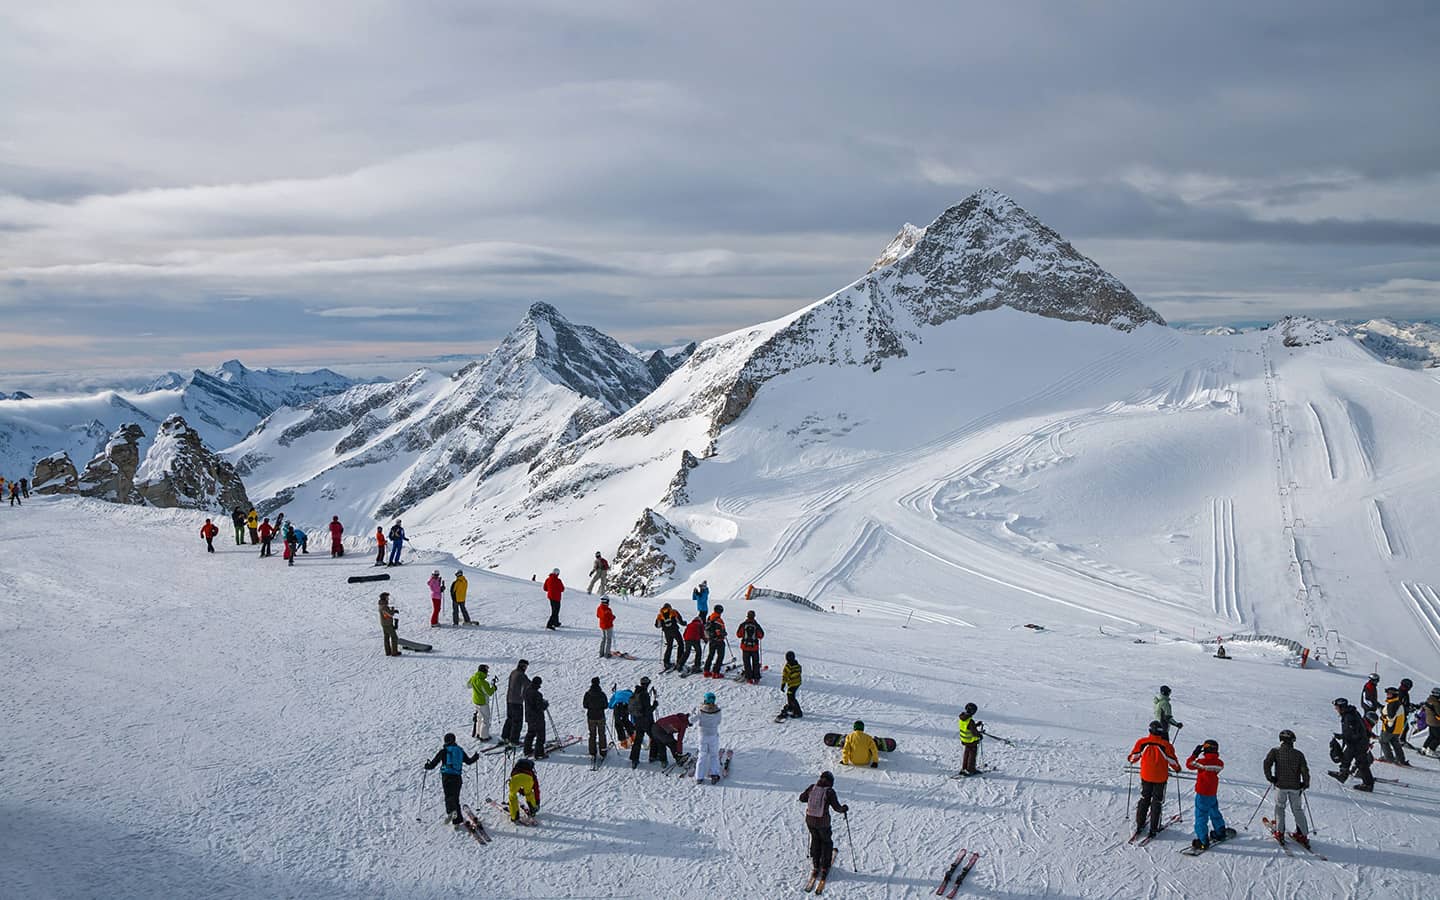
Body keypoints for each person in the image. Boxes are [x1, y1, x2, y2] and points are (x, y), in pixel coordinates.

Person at [1128, 720, 1181, 838]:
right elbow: (1172, 761)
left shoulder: (1142, 742)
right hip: (1160, 778)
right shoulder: (1166, 745)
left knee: (1144, 797)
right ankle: (1154, 828)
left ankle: (1140, 824)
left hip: (1146, 775)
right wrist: (1177, 769)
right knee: (1157, 801)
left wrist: (1130, 759)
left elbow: (1133, 757)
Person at [799, 771, 848, 889]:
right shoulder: (829, 792)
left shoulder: (812, 787)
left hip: (810, 820)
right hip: (823, 823)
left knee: (815, 840)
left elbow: (802, 798)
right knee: (826, 842)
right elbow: (837, 807)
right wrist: (844, 808)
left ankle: (816, 865)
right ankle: (825, 866)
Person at [1263, 729, 1311, 847]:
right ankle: (1303, 835)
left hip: (1281, 785)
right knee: (1298, 810)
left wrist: (1270, 777)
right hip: (1295, 787)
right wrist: (1305, 783)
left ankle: (1280, 832)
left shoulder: (1275, 751)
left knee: (1280, 807)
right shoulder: (1299, 754)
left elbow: (1267, 763)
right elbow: (1304, 770)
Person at [423, 733, 479, 826]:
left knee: (449, 797)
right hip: (457, 778)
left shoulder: (444, 751)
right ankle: (457, 820)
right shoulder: (460, 751)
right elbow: (469, 761)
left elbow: (433, 764)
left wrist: (427, 766)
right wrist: (475, 757)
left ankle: (451, 812)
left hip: (447, 777)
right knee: (455, 798)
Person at [1185, 739, 1231, 851]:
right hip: (1212, 792)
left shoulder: (1202, 762)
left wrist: (1195, 754)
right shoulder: (1220, 763)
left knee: (1201, 815)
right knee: (1214, 811)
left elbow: (1189, 764)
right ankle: (1220, 831)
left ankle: (1202, 840)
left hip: (1202, 793)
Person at [1331, 697, 1375, 791]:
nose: (1336, 709)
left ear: (1341, 706)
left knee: (1360, 763)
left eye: (1337, 707)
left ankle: (1368, 784)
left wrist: (1342, 736)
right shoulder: (1349, 713)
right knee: (1348, 758)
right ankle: (1343, 774)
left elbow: (1354, 733)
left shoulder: (1349, 717)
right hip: (1357, 742)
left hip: (1358, 743)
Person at [695, 692, 723, 784]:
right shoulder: (718, 711)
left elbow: (692, 719)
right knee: (714, 755)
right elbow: (719, 722)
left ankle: (699, 777)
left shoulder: (700, 710)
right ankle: (714, 774)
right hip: (713, 735)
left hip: (702, 736)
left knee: (702, 755)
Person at [628, 677, 655, 768]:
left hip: (637, 720)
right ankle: (653, 756)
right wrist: (654, 706)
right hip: (646, 721)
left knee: (638, 740)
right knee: (654, 736)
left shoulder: (636, 692)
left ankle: (634, 759)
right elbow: (647, 711)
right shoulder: (644, 695)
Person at [502, 660, 530, 745]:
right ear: (523, 666)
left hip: (509, 700)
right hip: (517, 701)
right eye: (525, 666)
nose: (526, 668)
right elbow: (529, 684)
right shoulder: (521, 675)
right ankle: (514, 740)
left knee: (510, 718)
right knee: (517, 721)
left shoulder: (513, 672)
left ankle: (505, 736)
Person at [1379, 687, 1410, 765]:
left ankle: (1388, 758)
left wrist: (1383, 718)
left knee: (1383, 741)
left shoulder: (1392, 704)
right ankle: (1401, 759)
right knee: (1395, 742)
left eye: (1389, 693)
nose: (1387, 695)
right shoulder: (1397, 703)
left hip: (1390, 728)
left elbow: (1390, 718)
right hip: (1397, 728)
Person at [583, 677, 609, 760]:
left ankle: (592, 751)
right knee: (602, 734)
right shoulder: (602, 694)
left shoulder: (588, 694)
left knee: (592, 734)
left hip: (591, 717)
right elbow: (605, 705)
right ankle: (603, 751)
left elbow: (585, 705)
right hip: (600, 716)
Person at [523, 675, 549, 758]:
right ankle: (539, 753)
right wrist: (545, 704)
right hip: (537, 718)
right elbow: (539, 706)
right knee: (540, 736)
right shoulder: (537, 694)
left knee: (530, 733)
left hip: (529, 716)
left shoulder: (527, 691)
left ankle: (527, 750)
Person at [468, 664, 496, 740]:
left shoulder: (473, 678)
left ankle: (478, 733)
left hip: (476, 701)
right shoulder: (483, 682)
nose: (487, 673)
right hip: (483, 702)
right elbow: (489, 693)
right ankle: (484, 736)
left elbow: (468, 685)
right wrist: (493, 687)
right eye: (487, 671)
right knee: (486, 719)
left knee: (479, 717)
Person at [507, 758, 540, 824]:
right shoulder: (531, 772)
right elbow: (536, 788)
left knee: (512, 796)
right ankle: (533, 809)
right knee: (529, 793)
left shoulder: (515, 768)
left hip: (516, 778)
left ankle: (515, 817)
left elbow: (513, 778)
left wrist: (520, 791)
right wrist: (537, 802)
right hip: (528, 779)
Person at [736, 610, 765, 683]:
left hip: (745, 647)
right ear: (754, 616)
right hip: (754, 647)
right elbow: (761, 635)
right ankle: (756, 678)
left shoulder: (743, 624)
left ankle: (749, 678)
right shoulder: (756, 625)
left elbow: (738, 635)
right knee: (755, 662)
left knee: (747, 663)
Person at [956, 703, 984, 776]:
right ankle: (971, 769)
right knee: (972, 755)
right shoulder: (970, 721)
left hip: (965, 740)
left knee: (967, 753)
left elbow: (968, 727)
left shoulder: (963, 718)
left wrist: (976, 725)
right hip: (971, 741)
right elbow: (974, 732)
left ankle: (964, 767)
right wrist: (979, 735)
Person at [655, 603, 684, 671]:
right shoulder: (673, 612)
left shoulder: (660, 615)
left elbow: (657, 626)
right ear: (670, 607)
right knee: (681, 644)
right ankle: (679, 661)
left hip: (667, 632)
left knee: (669, 645)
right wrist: (684, 623)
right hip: (675, 630)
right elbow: (679, 621)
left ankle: (666, 662)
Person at [703, 605, 727, 678]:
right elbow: (719, 630)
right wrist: (724, 634)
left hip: (711, 639)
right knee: (720, 656)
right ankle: (715, 672)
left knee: (711, 655)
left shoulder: (710, 617)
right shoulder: (718, 619)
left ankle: (706, 671)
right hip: (718, 640)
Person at [778, 651, 804, 719]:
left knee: (791, 696)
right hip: (797, 683)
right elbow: (799, 671)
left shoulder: (788, 666)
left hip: (793, 684)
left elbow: (785, 676)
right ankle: (791, 706)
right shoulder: (797, 664)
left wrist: (783, 685)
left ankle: (798, 712)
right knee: (790, 695)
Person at [1422, 688, 1440, 757]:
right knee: (1438, 738)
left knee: (1432, 736)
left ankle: (1425, 748)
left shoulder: (1429, 700)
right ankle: (1431, 750)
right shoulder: (1436, 703)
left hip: (1430, 721)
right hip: (1435, 722)